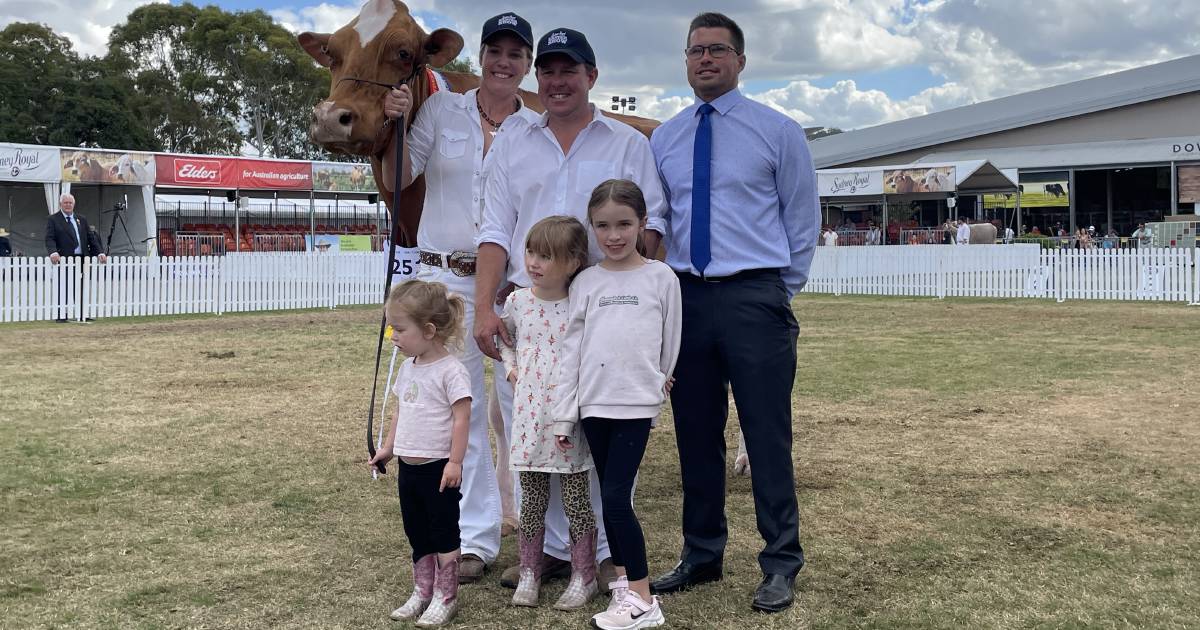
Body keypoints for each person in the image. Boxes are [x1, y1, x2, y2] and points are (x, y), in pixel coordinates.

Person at [474, 26, 668, 591]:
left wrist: (634, 296)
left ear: (592, 77)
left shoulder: (626, 142)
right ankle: (558, 550)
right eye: (549, 71)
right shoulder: (513, 139)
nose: (558, 82)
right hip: (530, 314)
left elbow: (652, 221)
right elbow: (494, 229)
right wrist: (486, 307)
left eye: (570, 71)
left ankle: (609, 549)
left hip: (602, 309)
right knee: (535, 431)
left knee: (604, 429)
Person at [647, 12, 819, 614]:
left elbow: (801, 220)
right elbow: (661, 213)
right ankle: (702, 553)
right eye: (695, 50)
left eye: (718, 49)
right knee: (695, 433)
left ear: (741, 61)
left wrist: (778, 291)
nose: (705, 59)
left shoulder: (777, 132)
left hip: (755, 296)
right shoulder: (664, 138)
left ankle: (780, 560)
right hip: (688, 296)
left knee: (767, 434)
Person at [383, 12, 540, 582]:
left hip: (509, 284)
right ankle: (473, 540)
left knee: (524, 409)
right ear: (481, 56)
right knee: (463, 410)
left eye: (515, 54)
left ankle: (535, 534)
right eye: (494, 50)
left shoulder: (536, 127)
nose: (504, 62)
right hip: (444, 281)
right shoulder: (442, 107)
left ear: (527, 64)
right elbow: (402, 175)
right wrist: (392, 124)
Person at [553, 180, 681, 629]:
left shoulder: (661, 278)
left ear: (643, 223)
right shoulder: (586, 282)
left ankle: (645, 601)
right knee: (610, 500)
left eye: (624, 224)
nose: (614, 235)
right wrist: (566, 414)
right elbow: (573, 350)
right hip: (594, 406)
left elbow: (670, 342)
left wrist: (656, 384)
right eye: (603, 226)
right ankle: (625, 587)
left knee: (616, 498)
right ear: (592, 228)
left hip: (635, 406)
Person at [497, 216, 598, 610]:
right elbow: (503, 338)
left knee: (576, 500)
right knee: (532, 499)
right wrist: (510, 366)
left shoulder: (579, 304)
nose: (534, 263)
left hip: (566, 415)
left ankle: (583, 573)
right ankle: (529, 570)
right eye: (531, 253)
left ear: (573, 262)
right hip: (528, 418)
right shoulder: (517, 302)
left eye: (546, 256)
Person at [367, 280, 471, 627]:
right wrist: (388, 449)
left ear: (428, 330)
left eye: (400, 329)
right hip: (409, 468)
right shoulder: (408, 367)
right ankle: (423, 590)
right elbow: (401, 411)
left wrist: (455, 461)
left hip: (439, 467)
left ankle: (446, 595)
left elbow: (461, 418)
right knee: (417, 532)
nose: (394, 336)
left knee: (444, 532)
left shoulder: (452, 371)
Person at [44, 193, 107, 322]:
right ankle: (62, 315)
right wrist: (53, 252)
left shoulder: (81, 219)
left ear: (74, 204)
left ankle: (82, 314)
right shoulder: (53, 219)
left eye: (70, 203)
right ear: (60, 204)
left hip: (82, 259)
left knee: (81, 288)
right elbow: (49, 238)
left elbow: (91, 238)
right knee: (64, 287)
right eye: (65, 203)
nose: (68, 205)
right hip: (64, 260)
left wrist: (100, 252)